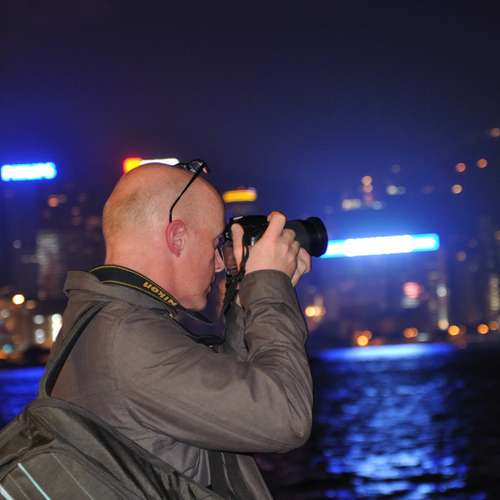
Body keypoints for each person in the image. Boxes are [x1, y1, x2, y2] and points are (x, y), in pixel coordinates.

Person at [51, 162, 313, 499]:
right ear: (177, 237)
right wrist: (269, 285)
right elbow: (285, 417)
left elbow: (230, 398)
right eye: (215, 243)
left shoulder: (106, 322)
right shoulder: (128, 340)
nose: (219, 263)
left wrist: (251, 294)